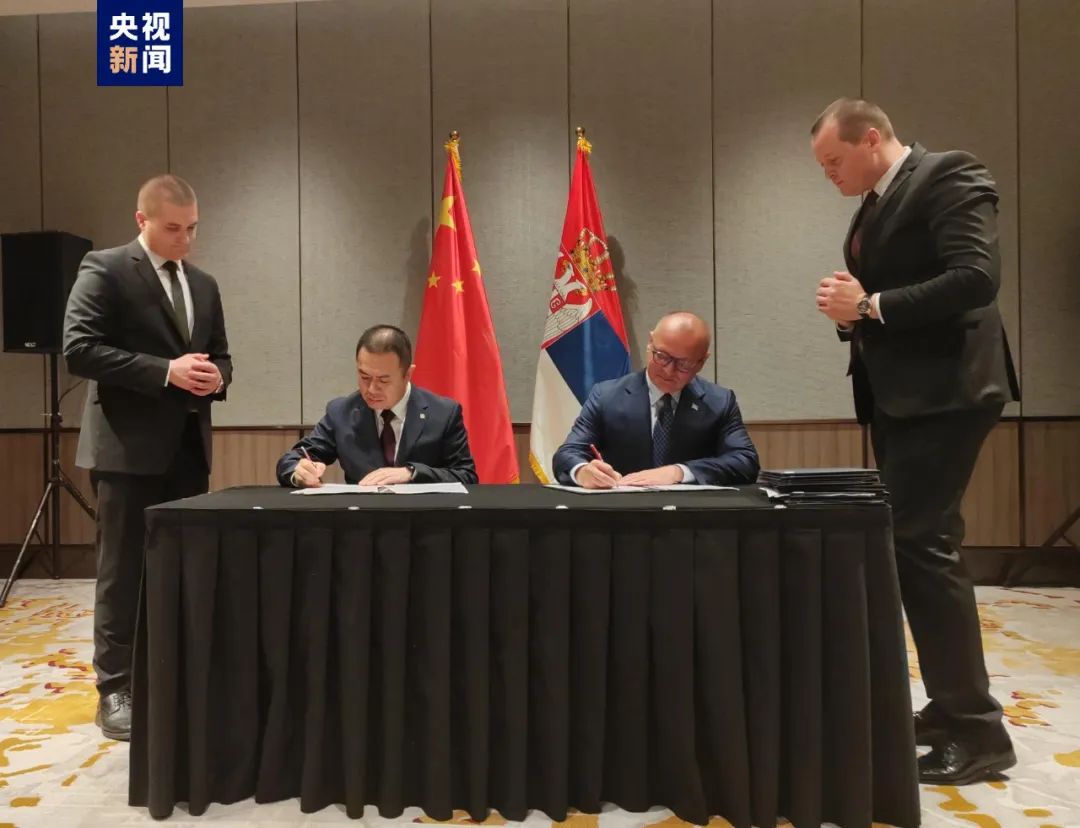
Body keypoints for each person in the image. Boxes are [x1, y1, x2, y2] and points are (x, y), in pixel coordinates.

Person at [810, 98, 1020, 785]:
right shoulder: (875, 203)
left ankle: (978, 730)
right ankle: (950, 707)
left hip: (947, 392)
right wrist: (854, 314)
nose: (829, 175)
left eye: (833, 161)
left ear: (871, 138)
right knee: (914, 548)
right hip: (903, 397)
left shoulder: (949, 173)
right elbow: (886, 295)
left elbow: (976, 277)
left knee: (924, 546)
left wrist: (870, 305)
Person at [63, 174, 232, 741]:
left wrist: (215, 378)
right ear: (142, 221)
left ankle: (170, 675)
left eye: (192, 228)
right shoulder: (105, 268)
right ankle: (115, 688)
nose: (185, 239)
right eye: (173, 228)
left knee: (182, 566)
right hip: (126, 450)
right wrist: (165, 371)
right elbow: (79, 349)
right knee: (122, 572)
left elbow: (222, 356)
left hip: (187, 448)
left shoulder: (203, 284)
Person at [552, 311, 759, 488]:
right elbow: (567, 454)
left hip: (692, 516)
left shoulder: (719, 402)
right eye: (661, 356)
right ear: (650, 342)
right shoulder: (606, 396)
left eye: (683, 364)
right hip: (621, 514)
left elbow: (745, 462)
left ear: (702, 361)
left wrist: (679, 472)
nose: (668, 370)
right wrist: (582, 471)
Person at [277, 325, 477, 487]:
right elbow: (292, 459)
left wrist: (411, 473)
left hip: (424, 521)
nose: (371, 389)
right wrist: (298, 471)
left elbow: (466, 476)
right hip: (362, 521)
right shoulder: (342, 412)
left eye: (383, 380)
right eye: (364, 377)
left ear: (407, 374)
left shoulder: (443, 413)